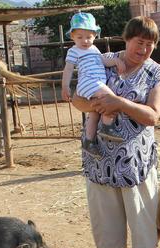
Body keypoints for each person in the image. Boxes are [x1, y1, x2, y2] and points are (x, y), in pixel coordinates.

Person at [71, 16, 160, 248]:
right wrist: (95, 105)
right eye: (140, 43)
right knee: (109, 214)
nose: (144, 49)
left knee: (143, 212)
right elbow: (76, 98)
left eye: (150, 45)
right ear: (127, 39)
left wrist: (118, 102)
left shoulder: (155, 73)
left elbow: (152, 115)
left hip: (135, 160)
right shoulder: (100, 59)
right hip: (100, 157)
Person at [61, 12, 127, 158]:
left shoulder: (94, 50)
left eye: (88, 37)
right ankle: (107, 126)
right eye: (80, 37)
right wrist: (65, 86)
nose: (84, 40)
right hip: (89, 82)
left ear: (95, 36)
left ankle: (88, 141)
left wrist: (116, 61)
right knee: (111, 99)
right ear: (72, 36)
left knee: (94, 111)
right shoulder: (74, 51)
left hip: (95, 84)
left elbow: (103, 61)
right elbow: (68, 69)